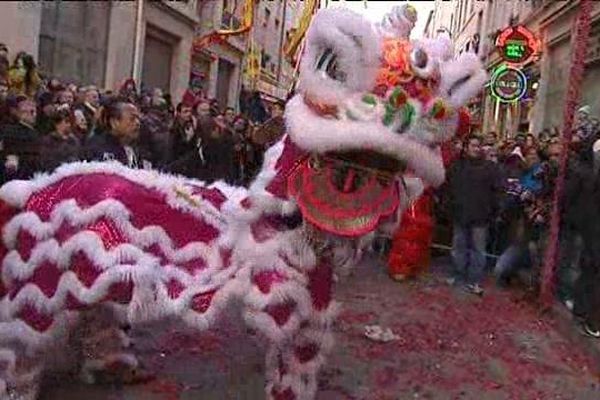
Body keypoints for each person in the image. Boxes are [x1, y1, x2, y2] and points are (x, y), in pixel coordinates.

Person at [447, 135, 503, 295]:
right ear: (466, 147)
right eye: (473, 145)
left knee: (478, 250)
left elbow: (497, 192)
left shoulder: (490, 168)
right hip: (460, 213)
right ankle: (458, 275)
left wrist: (494, 211)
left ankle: (474, 280)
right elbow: (449, 189)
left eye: (479, 146)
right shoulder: (457, 166)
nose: (476, 149)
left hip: (481, 216)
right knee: (459, 247)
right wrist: (450, 208)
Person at [84, 98, 145, 168]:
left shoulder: (138, 147)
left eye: (138, 119)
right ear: (114, 122)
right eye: (132, 119)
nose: (137, 123)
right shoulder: (96, 147)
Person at [0, 96, 41, 183]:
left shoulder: (35, 132)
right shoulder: (11, 131)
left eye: (35, 111)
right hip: (18, 176)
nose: (34, 115)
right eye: (31, 112)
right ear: (21, 113)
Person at [37, 108, 81, 172]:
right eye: (66, 122)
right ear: (57, 124)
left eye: (70, 122)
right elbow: (46, 161)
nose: (69, 125)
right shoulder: (48, 141)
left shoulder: (74, 140)